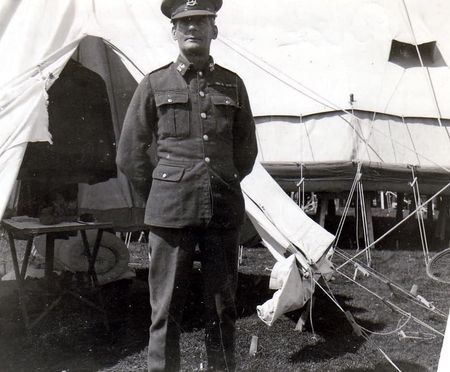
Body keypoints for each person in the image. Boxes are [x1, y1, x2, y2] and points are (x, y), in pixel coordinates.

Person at [116, 0, 258, 371]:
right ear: (173, 31)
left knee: (223, 309)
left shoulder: (234, 84)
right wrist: (163, 191)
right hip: (170, 212)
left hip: (222, 211)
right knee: (165, 312)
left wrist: (220, 181)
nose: (192, 28)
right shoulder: (155, 83)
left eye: (201, 21)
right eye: (184, 22)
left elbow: (246, 151)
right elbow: (130, 153)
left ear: (214, 29)